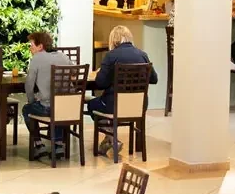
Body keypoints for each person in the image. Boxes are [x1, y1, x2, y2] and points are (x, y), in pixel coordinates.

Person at [89, 25, 158, 156]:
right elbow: (154, 79)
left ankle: (111, 138)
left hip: (114, 105)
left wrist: (101, 73)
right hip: (139, 105)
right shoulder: (143, 55)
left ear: (113, 40)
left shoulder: (111, 56)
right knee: (100, 104)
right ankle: (110, 139)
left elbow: (100, 83)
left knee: (92, 105)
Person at [23, 31, 75, 159]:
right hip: (67, 106)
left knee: (27, 109)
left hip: (48, 107)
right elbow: (74, 72)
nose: (30, 49)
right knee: (58, 107)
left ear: (40, 46)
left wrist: (31, 101)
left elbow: (29, 85)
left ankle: (38, 145)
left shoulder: (37, 58)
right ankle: (58, 145)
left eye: (31, 45)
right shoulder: (63, 56)